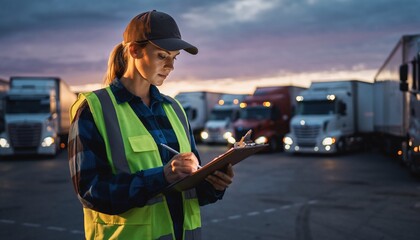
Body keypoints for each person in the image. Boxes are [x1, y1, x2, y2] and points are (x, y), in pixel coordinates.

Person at [68, 10, 235, 240]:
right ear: (134, 50)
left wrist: (213, 185)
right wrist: (162, 176)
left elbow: (189, 188)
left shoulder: (175, 110)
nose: (170, 66)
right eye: (161, 56)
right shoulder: (94, 109)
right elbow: (91, 193)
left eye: (174, 58)